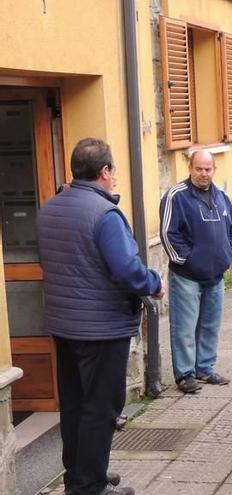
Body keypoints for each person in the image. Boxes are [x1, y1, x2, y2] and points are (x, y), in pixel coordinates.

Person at [36, 138, 163, 495]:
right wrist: (153, 282)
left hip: (63, 325)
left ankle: (80, 474)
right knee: (101, 407)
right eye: (114, 170)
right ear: (105, 172)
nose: (115, 176)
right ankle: (89, 486)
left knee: (75, 404)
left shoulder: (50, 208)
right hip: (101, 329)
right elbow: (126, 269)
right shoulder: (104, 214)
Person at [159, 151, 232, 394]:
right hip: (187, 276)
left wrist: (230, 254)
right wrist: (187, 260)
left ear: (214, 169)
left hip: (215, 276)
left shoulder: (222, 197)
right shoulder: (176, 196)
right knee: (184, 327)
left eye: (208, 169)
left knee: (210, 325)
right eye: (199, 169)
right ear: (190, 168)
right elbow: (168, 234)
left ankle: (204, 368)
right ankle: (185, 374)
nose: (204, 174)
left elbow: (230, 230)